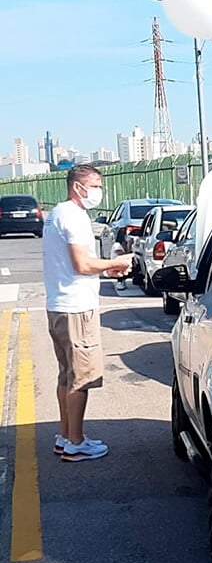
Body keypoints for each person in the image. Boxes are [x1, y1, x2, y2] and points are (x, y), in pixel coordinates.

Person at [43, 164, 133, 462]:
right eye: (95, 185)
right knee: (81, 378)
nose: (99, 191)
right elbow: (82, 264)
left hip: (59, 306)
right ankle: (76, 442)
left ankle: (66, 435)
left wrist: (108, 267)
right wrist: (116, 263)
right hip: (76, 309)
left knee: (66, 376)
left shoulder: (57, 214)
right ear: (78, 187)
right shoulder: (74, 217)